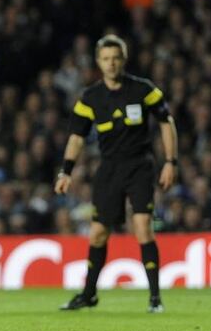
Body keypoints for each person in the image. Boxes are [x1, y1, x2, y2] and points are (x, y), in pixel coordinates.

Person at [55, 34, 177, 313]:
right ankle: (88, 294)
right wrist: (66, 171)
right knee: (98, 233)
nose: (111, 64)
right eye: (106, 59)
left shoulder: (143, 90)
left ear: (124, 60)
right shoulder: (90, 97)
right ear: (98, 62)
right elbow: (76, 136)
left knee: (143, 226)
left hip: (139, 166)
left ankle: (155, 298)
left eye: (116, 58)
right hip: (109, 169)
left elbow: (166, 122)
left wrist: (171, 161)